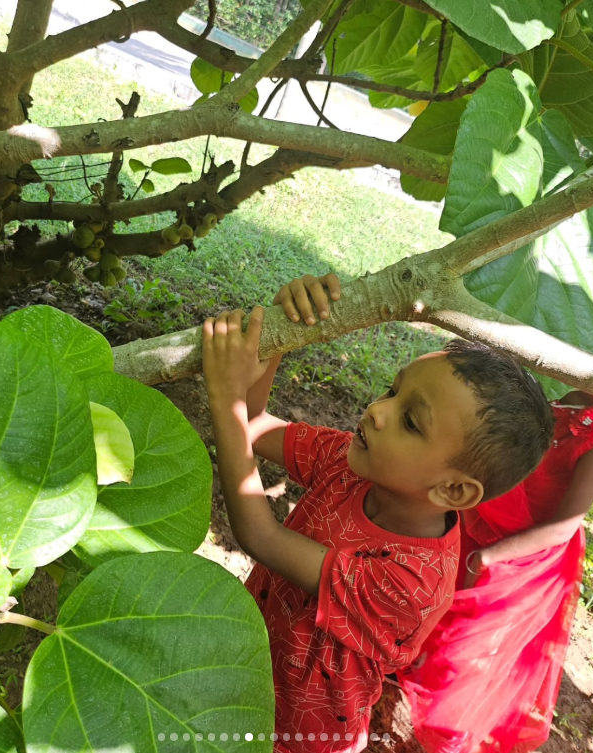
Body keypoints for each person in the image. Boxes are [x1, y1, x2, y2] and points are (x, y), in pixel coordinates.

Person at [201, 274, 556, 753]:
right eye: (392, 391)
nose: (376, 411)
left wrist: (225, 394)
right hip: (241, 670)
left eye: (410, 421)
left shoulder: (409, 581)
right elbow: (255, 425)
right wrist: (282, 334)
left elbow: (259, 535)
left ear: (453, 488)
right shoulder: (355, 462)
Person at [392, 290, 593, 753]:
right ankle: (399, 665)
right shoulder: (549, 389)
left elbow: (563, 526)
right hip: (480, 518)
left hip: (521, 560)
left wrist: (492, 556)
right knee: (432, 598)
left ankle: (447, 733)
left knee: (468, 646)